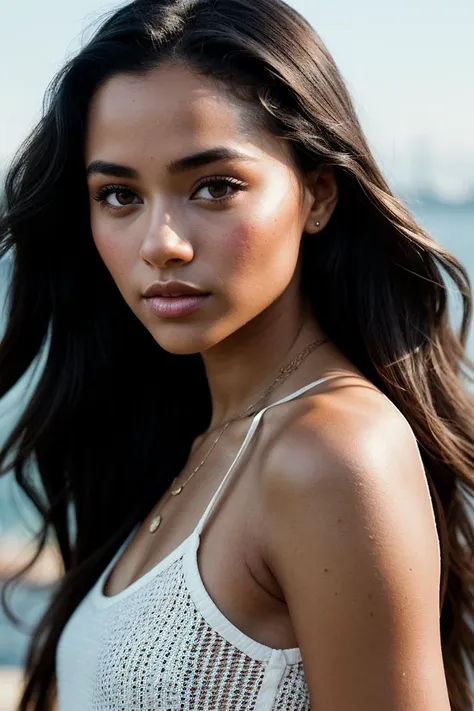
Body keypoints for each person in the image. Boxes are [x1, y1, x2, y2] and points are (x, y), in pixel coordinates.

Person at [0, 0, 473, 709]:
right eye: (120, 194)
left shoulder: (335, 451)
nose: (161, 242)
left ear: (317, 193)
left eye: (214, 186)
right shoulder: (198, 438)